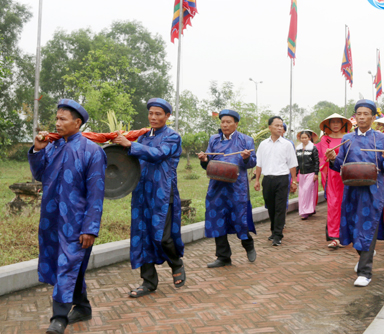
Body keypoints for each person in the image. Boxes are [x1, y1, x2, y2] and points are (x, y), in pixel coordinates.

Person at [29, 99, 107, 334]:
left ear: (78, 122)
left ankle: (59, 317)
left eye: (63, 119)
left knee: (68, 263)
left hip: (77, 222)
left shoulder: (92, 152)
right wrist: (37, 150)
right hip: (51, 219)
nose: (57, 123)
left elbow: (96, 193)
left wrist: (90, 228)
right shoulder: (52, 146)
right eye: (56, 118)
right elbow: (39, 174)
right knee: (68, 264)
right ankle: (82, 307)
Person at [112, 98, 185, 297]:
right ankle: (148, 282)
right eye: (151, 113)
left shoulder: (172, 137)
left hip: (162, 192)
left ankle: (176, 262)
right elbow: (129, 159)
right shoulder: (142, 137)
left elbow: (158, 154)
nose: (153, 117)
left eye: (158, 114)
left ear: (167, 116)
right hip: (141, 191)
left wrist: (130, 145)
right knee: (142, 235)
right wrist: (119, 146)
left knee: (163, 237)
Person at [325, 99, 384, 287]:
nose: (362, 117)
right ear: (355, 117)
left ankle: (365, 272)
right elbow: (340, 164)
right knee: (354, 226)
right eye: (359, 113)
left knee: (368, 225)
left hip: (373, 189)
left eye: (366, 114)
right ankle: (365, 254)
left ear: (373, 116)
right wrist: (332, 160)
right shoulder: (348, 138)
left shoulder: (381, 138)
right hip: (352, 189)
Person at [197, 110, 257, 267]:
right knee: (217, 220)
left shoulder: (246, 140)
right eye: (222, 122)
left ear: (236, 124)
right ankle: (223, 257)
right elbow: (208, 164)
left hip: (237, 188)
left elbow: (252, 163)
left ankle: (248, 245)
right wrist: (204, 160)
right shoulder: (214, 140)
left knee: (240, 219)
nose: (225, 125)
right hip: (217, 187)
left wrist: (246, 158)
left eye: (228, 122)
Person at [254, 116, 298, 246]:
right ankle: (273, 231)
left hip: (282, 179)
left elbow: (292, 164)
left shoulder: (287, 144)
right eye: (277, 125)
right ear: (269, 128)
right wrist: (257, 180)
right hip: (267, 180)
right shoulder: (263, 144)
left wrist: (294, 181)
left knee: (280, 208)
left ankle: (278, 235)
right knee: (271, 207)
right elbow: (259, 164)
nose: (280, 128)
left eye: (281, 125)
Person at [316, 113, 351, 249]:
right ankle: (335, 236)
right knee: (334, 204)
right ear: (328, 125)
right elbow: (327, 154)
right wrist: (334, 157)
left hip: (347, 175)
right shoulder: (326, 139)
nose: (335, 124)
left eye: (338, 122)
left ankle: (347, 234)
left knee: (347, 203)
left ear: (343, 124)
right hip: (333, 176)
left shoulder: (348, 138)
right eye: (332, 122)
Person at [295, 130, 319, 220]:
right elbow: (297, 162)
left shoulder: (313, 148)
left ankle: (305, 212)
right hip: (302, 174)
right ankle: (308, 210)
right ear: (300, 139)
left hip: (311, 173)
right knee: (302, 193)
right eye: (302, 138)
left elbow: (316, 161)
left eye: (306, 137)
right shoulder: (298, 148)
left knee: (307, 191)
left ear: (309, 138)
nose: (304, 139)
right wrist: (295, 174)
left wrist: (316, 173)